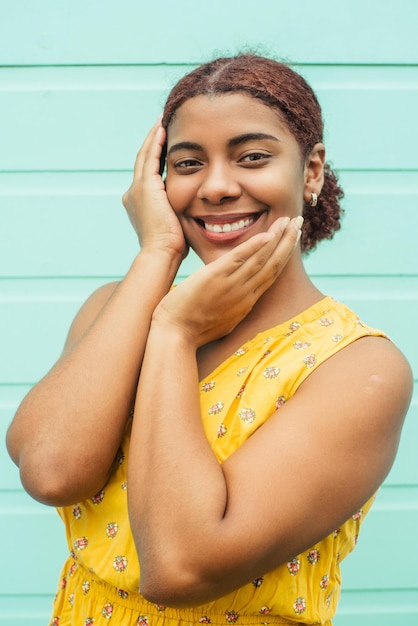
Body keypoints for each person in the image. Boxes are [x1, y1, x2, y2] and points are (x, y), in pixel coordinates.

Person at [6, 54, 412, 626]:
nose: (217, 187)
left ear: (312, 171)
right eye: (188, 163)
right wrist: (157, 255)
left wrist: (176, 333)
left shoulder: (357, 367)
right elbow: (51, 472)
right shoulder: (114, 310)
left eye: (252, 157)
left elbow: (181, 567)